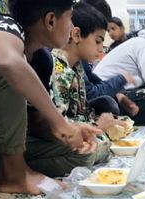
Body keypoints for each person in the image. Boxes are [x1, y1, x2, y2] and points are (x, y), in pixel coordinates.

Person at [0, 0, 100, 195]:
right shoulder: (5, 25)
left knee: (80, 156)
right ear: (51, 20)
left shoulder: (42, 60)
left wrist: (70, 130)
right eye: (69, 18)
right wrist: (60, 123)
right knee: (8, 65)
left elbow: (33, 121)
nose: (71, 27)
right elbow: (7, 62)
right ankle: (13, 175)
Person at [50, 2, 130, 165]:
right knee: (86, 152)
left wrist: (106, 122)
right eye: (98, 41)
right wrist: (98, 126)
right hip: (57, 136)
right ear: (77, 35)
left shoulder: (78, 67)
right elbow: (59, 126)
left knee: (106, 132)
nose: (101, 49)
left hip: (74, 129)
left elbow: (80, 112)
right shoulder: (59, 68)